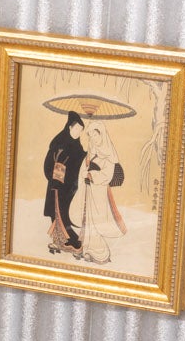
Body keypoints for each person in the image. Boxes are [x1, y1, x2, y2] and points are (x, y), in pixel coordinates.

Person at [73, 117, 125, 264]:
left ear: (101, 134)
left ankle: (99, 253)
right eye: (91, 136)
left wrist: (91, 175)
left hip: (99, 192)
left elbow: (106, 175)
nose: (93, 139)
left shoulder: (109, 154)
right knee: (87, 219)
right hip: (89, 191)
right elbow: (84, 168)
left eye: (95, 135)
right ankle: (86, 249)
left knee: (97, 221)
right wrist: (85, 169)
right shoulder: (92, 152)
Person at [43, 111, 86, 253]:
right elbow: (52, 164)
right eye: (77, 129)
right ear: (70, 127)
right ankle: (64, 241)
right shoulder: (59, 143)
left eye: (81, 130)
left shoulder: (77, 145)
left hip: (69, 187)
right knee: (58, 213)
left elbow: (80, 160)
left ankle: (63, 241)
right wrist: (56, 180)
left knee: (64, 213)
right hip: (57, 186)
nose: (79, 132)